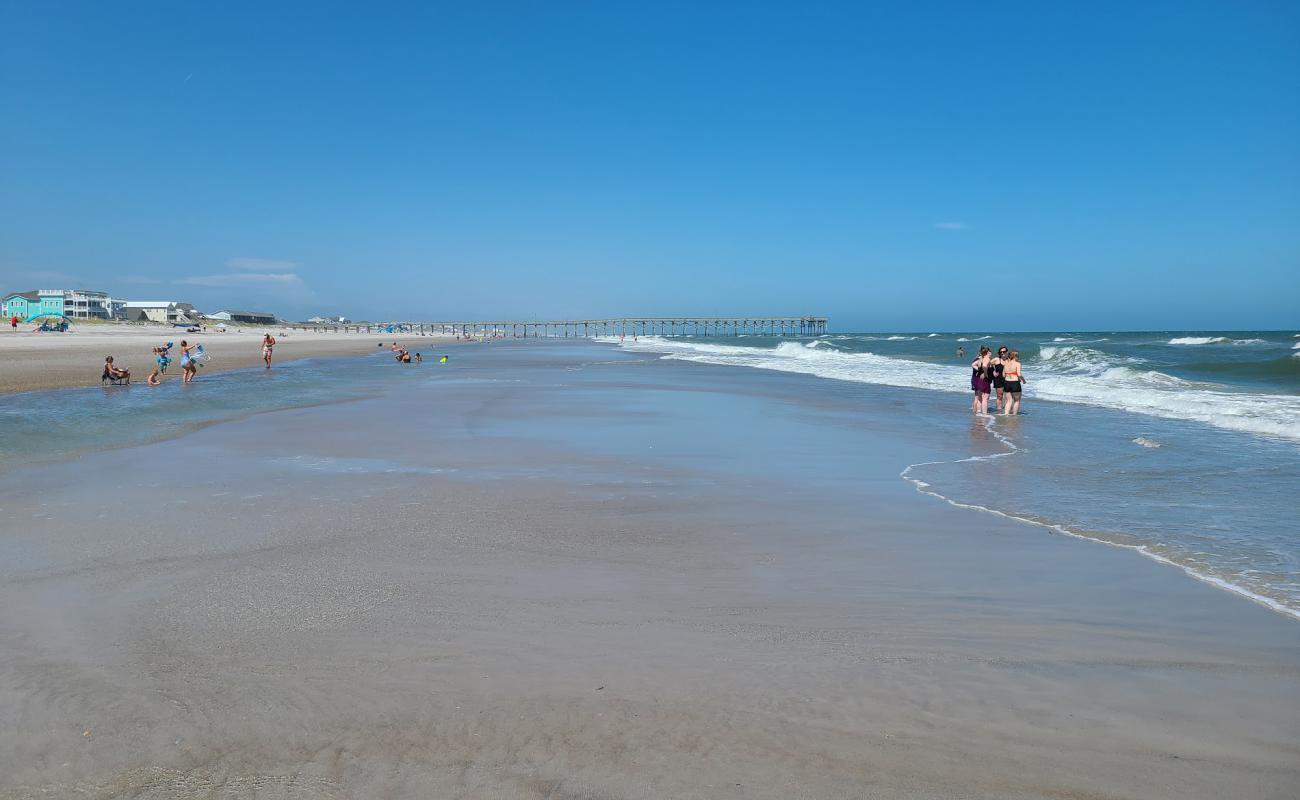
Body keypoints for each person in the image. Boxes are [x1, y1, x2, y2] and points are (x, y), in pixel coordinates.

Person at [970, 345, 993, 414]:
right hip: (985, 380)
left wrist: (980, 372)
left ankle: (978, 412)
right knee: (985, 398)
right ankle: (984, 413)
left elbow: (973, 365)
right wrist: (985, 373)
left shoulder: (980, 359)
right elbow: (984, 366)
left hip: (979, 380)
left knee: (980, 398)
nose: (991, 353)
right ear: (987, 352)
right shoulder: (987, 359)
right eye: (990, 351)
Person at [1001, 350, 1025, 415]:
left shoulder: (1006, 364)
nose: (1018, 357)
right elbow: (1019, 374)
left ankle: (1006, 414)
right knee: (1016, 401)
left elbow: (1003, 375)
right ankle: (1014, 415)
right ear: (1015, 356)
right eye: (1018, 356)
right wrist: (1023, 380)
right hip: (1015, 383)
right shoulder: (1018, 364)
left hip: (1006, 382)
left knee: (1008, 400)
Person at [991, 346, 1008, 412]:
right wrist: (993, 372)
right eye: (1001, 352)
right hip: (998, 379)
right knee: (999, 396)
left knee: (1007, 396)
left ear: (1007, 352)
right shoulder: (996, 359)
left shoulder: (1009, 360)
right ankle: (999, 410)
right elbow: (988, 364)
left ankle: (1006, 410)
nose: (1002, 353)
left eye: (1004, 351)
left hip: (1007, 379)